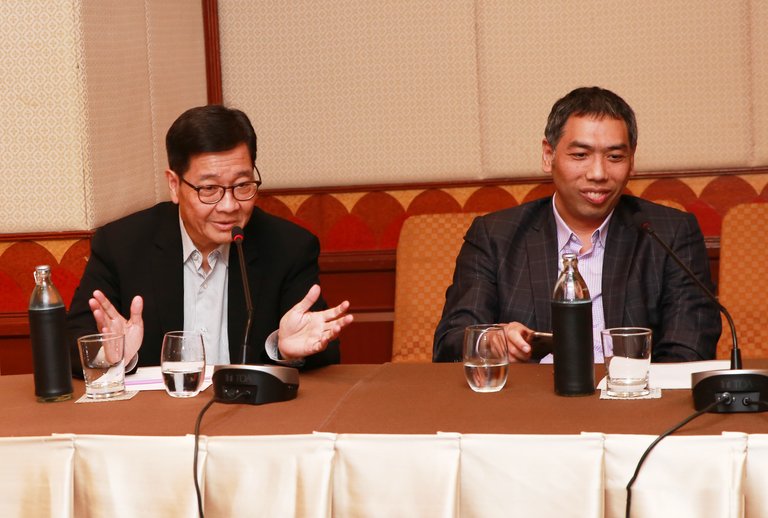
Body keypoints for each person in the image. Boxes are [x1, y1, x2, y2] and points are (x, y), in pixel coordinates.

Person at [433, 86, 720, 363]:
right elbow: (451, 341)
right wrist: (490, 342)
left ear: (632, 161)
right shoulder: (495, 236)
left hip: (634, 403)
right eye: (580, 155)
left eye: (615, 157)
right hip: (525, 406)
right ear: (549, 155)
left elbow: (690, 351)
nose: (598, 173)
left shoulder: (670, 234)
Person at [67, 105, 353, 373]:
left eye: (242, 185)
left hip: (252, 419)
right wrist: (113, 355)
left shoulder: (288, 247)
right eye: (210, 189)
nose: (229, 205)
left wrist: (283, 349)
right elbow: (70, 348)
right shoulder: (122, 246)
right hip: (154, 419)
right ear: (174, 185)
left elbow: (325, 354)